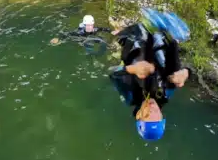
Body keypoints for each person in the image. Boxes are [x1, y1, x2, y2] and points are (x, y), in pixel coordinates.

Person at [109, 8, 192, 140]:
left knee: (140, 70)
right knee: (172, 77)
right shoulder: (164, 95)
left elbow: (112, 73)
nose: (152, 109)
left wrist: (133, 69)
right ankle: (171, 37)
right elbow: (185, 72)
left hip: (134, 41)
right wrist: (186, 73)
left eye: (147, 115)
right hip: (159, 45)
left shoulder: (130, 96)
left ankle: (147, 27)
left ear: (138, 115)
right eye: (157, 114)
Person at [50, 15, 115, 45]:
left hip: (89, 37)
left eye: (91, 25)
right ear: (84, 25)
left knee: (100, 40)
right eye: (88, 25)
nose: (90, 27)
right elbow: (67, 34)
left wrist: (111, 31)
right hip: (82, 37)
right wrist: (58, 39)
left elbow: (103, 29)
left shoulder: (95, 29)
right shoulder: (79, 32)